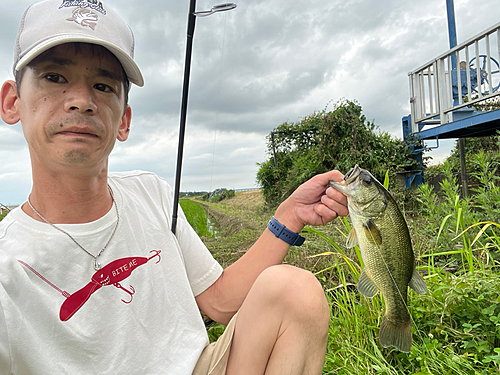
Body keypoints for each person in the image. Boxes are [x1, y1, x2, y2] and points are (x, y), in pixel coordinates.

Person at [0, 1, 348, 374]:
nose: (82, 101)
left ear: (124, 121)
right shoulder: (8, 261)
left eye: (103, 86)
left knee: (296, 291)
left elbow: (220, 301)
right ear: (12, 102)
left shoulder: (151, 195)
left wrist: (290, 215)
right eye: (55, 77)